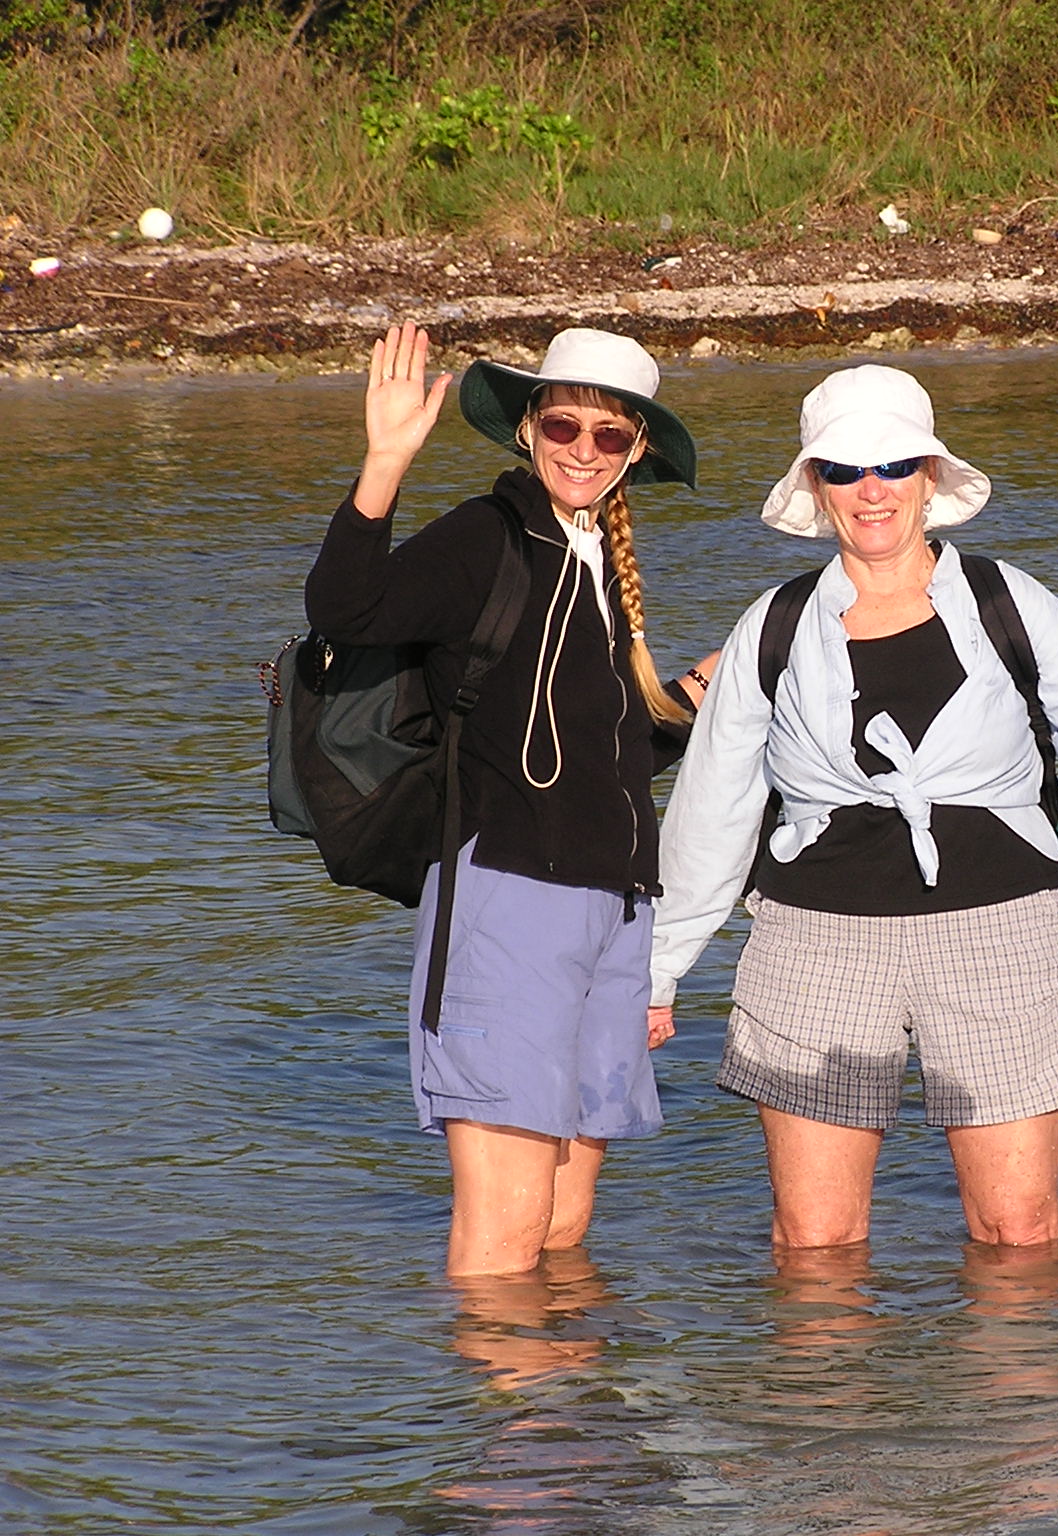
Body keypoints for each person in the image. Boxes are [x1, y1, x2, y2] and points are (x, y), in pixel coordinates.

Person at [646, 364, 1058, 1252]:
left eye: (895, 465)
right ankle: (824, 1398)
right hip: (813, 946)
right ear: (815, 488)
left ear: (929, 479)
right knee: (815, 1239)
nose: (871, 491)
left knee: (1018, 1233)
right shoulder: (773, 624)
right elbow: (711, 811)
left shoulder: (1004, 597)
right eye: (842, 470)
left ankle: (1026, 1400)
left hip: (1002, 933)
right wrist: (659, 968)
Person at [305, 322, 710, 1276]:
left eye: (609, 436)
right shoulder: (488, 535)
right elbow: (347, 610)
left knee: (565, 1229)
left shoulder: (601, 560)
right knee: (503, 1241)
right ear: (529, 429)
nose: (583, 448)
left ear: (636, 450)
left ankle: (576, 1422)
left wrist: (690, 697)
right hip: (509, 903)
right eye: (564, 425)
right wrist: (386, 460)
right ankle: (500, 1421)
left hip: (613, 909)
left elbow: (591, 753)